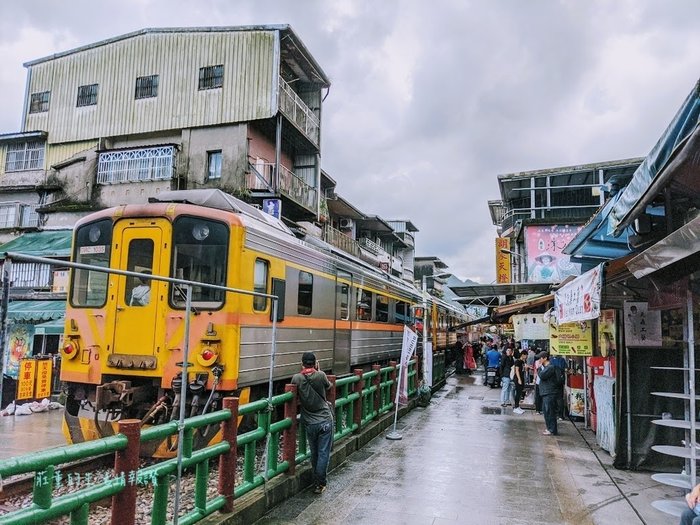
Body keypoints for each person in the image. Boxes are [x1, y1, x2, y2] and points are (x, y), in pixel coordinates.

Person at [291, 352, 334, 494]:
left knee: (314, 453)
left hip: (310, 423)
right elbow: (329, 386)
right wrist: (319, 370)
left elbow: (294, 391)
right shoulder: (321, 375)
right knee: (323, 453)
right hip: (325, 420)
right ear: (315, 363)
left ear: (302, 363)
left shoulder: (297, 378)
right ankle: (320, 484)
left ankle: (317, 480)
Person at [538, 351, 563, 436]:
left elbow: (542, 375)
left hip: (549, 392)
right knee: (546, 411)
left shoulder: (550, 368)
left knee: (549, 411)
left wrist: (538, 368)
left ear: (545, 358)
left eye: (540, 358)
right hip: (547, 392)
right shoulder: (546, 367)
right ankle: (549, 428)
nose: (539, 360)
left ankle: (552, 429)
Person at [550, 354, 568, 421]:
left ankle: (555, 414)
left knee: (553, 398)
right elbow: (566, 369)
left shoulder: (551, 360)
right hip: (560, 381)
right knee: (560, 398)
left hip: (552, 382)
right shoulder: (562, 360)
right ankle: (561, 415)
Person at [512, 350, 527, 415]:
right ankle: (515, 407)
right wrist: (519, 379)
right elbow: (517, 370)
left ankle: (518, 406)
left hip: (522, 378)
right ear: (522, 355)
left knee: (520, 392)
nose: (526, 356)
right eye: (526, 355)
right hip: (518, 379)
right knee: (518, 393)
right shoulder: (518, 361)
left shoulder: (523, 362)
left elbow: (523, 370)